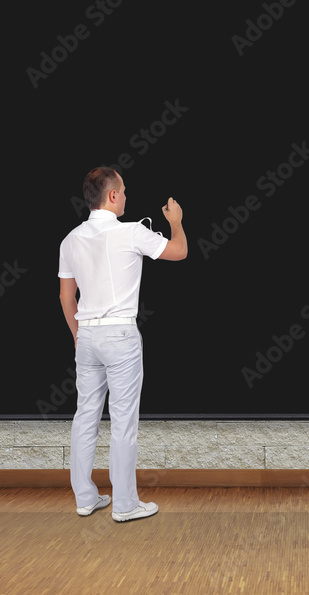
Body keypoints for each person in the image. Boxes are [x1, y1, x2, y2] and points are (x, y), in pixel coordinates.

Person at [58, 167, 187, 521]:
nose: (126, 197)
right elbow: (179, 251)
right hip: (120, 336)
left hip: (87, 337)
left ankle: (86, 498)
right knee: (123, 422)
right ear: (112, 196)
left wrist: (77, 336)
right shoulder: (132, 233)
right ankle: (125, 505)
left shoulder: (70, 240)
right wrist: (175, 220)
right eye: (124, 191)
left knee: (85, 416)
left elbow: (66, 297)